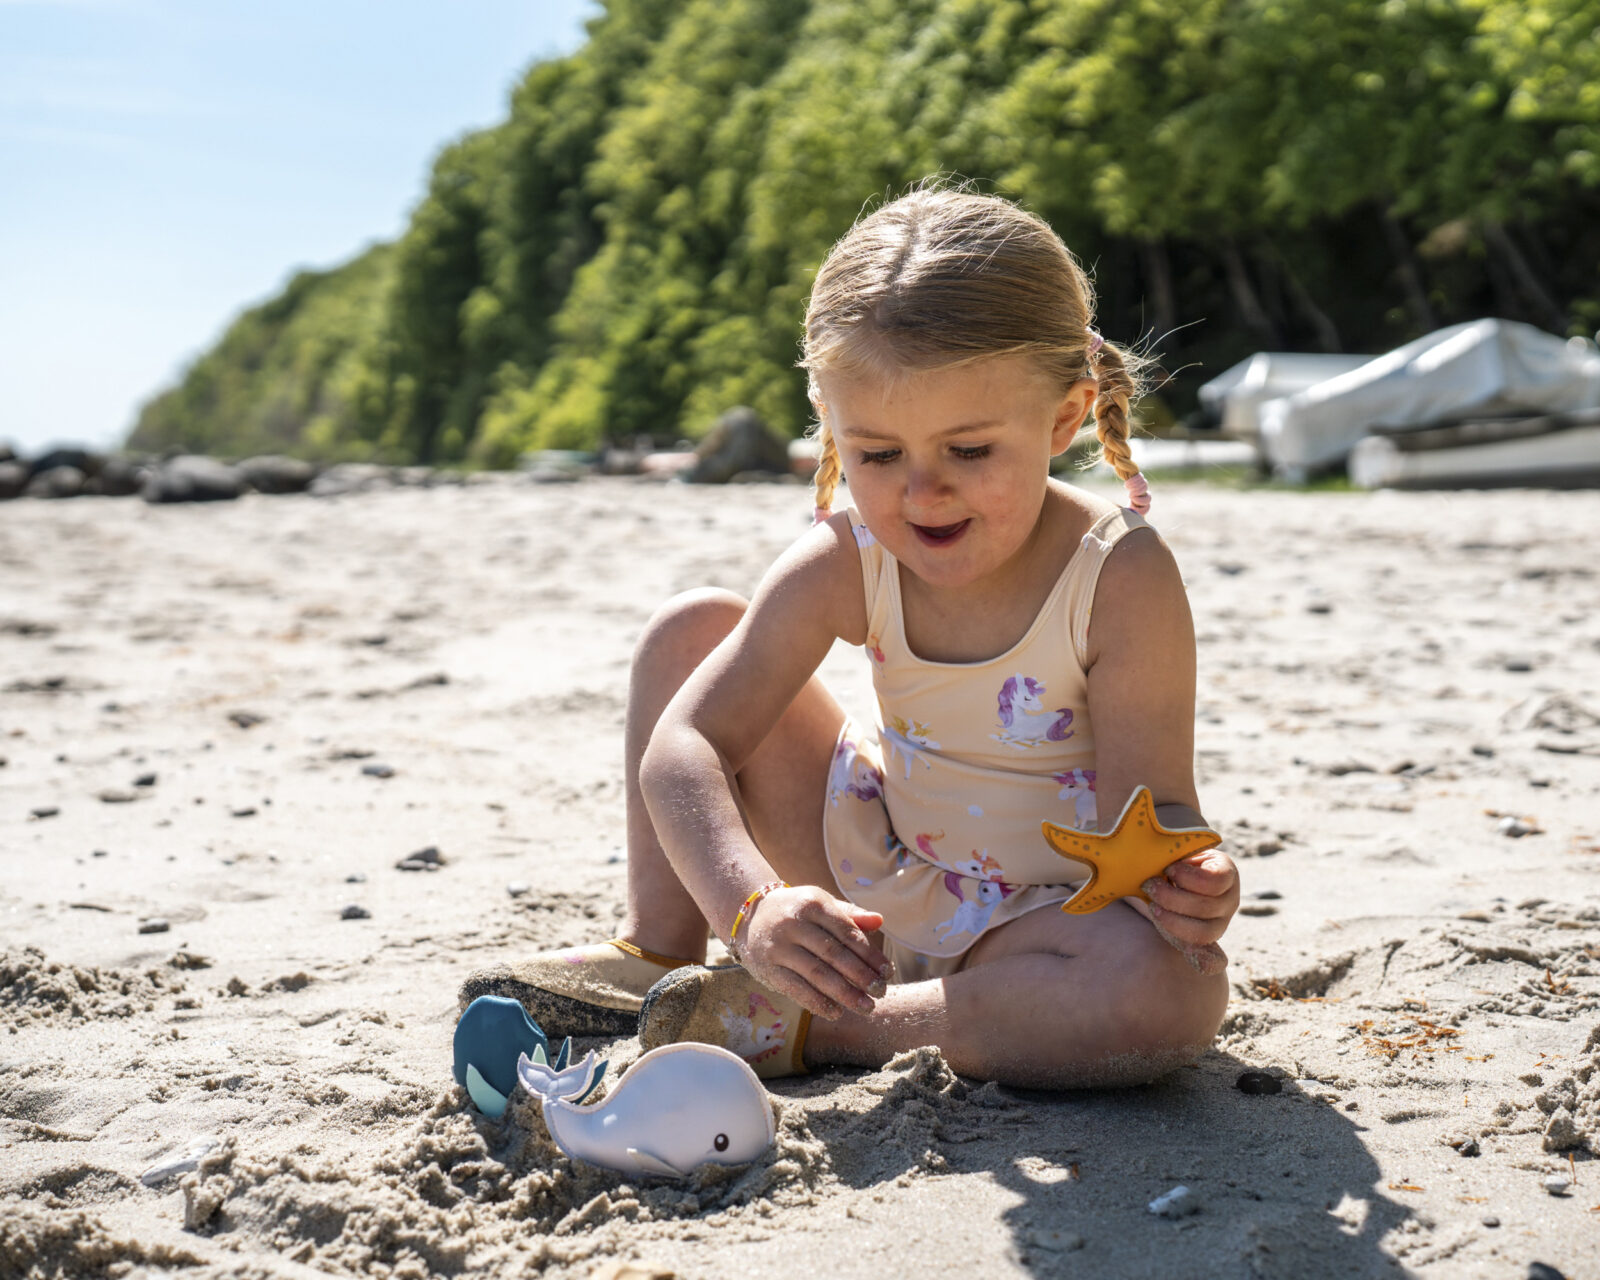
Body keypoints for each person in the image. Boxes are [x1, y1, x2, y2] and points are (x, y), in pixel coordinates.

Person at [459, 186, 1239, 1089]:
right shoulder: (849, 559)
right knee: (692, 630)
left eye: (970, 451)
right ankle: (661, 954)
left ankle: (815, 1028)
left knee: (1167, 992)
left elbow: (1155, 813)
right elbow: (685, 746)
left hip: (1045, 929)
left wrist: (1196, 881)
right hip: (863, 887)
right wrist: (752, 908)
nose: (922, 493)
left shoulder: (1119, 576)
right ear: (831, 423)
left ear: (1064, 417)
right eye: (878, 454)